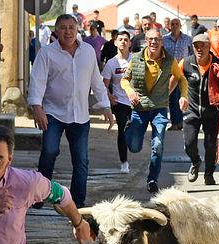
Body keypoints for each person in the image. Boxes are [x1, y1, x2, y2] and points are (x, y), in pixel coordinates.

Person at [28, 14, 114, 209]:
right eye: (63, 28)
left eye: (71, 28)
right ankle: (40, 195)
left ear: (77, 30)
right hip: (52, 113)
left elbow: (96, 80)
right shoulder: (47, 53)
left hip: (80, 115)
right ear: (56, 31)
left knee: (81, 160)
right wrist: (37, 107)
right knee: (49, 152)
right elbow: (37, 81)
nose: (67, 31)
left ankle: (77, 202)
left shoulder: (88, 52)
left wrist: (105, 106)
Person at [121, 28, 189, 193]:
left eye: (157, 39)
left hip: (159, 109)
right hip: (140, 109)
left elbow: (181, 78)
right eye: (150, 39)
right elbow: (124, 80)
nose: (153, 42)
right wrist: (130, 92)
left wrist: (184, 96)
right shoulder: (136, 59)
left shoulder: (169, 60)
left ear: (161, 41)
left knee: (157, 145)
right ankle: (129, 129)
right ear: (146, 40)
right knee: (135, 147)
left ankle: (152, 179)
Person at [181, 34, 219, 186]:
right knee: (189, 142)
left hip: (212, 111)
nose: (199, 49)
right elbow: (175, 81)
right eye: (196, 46)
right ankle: (195, 161)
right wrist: (176, 97)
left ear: (209, 47)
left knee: (211, 145)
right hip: (191, 110)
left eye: (203, 45)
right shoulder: (186, 63)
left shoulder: (218, 64)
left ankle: (209, 173)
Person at [102, 30, 133, 174]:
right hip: (119, 102)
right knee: (122, 130)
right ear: (115, 42)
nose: (123, 42)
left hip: (135, 101)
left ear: (130, 43)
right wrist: (109, 96)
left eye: (126, 39)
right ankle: (124, 162)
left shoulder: (136, 60)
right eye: (120, 39)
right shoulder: (111, 63)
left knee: (134, 132)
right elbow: (104, 84)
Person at [163, 17, 193, 131]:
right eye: (173, 24)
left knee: (183, 96)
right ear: (169, 26)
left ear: (180, 26)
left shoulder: (187, 39)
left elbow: (191, 55)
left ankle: (181, 122)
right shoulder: (164, 39)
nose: (175, 26)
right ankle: (175, 123)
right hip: (169, 72)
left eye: (177, 24)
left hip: (183, 72)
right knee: (172, 98)